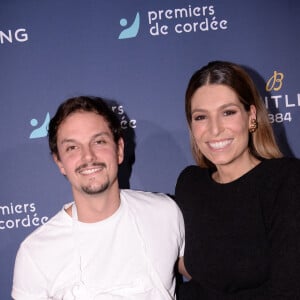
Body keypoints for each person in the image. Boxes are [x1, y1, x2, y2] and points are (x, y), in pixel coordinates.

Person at [12, 96, 184, 300]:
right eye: (72, 147)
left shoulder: (165, 212)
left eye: (99, 141)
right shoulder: (36, 252)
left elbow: (207, 276)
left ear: (119, 150)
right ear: (59, 162)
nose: (88, 156)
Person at [176, 61, 300, 299]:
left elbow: (289, 289)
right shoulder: (191, 185)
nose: (214, 130)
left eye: (228, 112)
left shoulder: (286, 181)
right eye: (201, 117)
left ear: (251, 116)